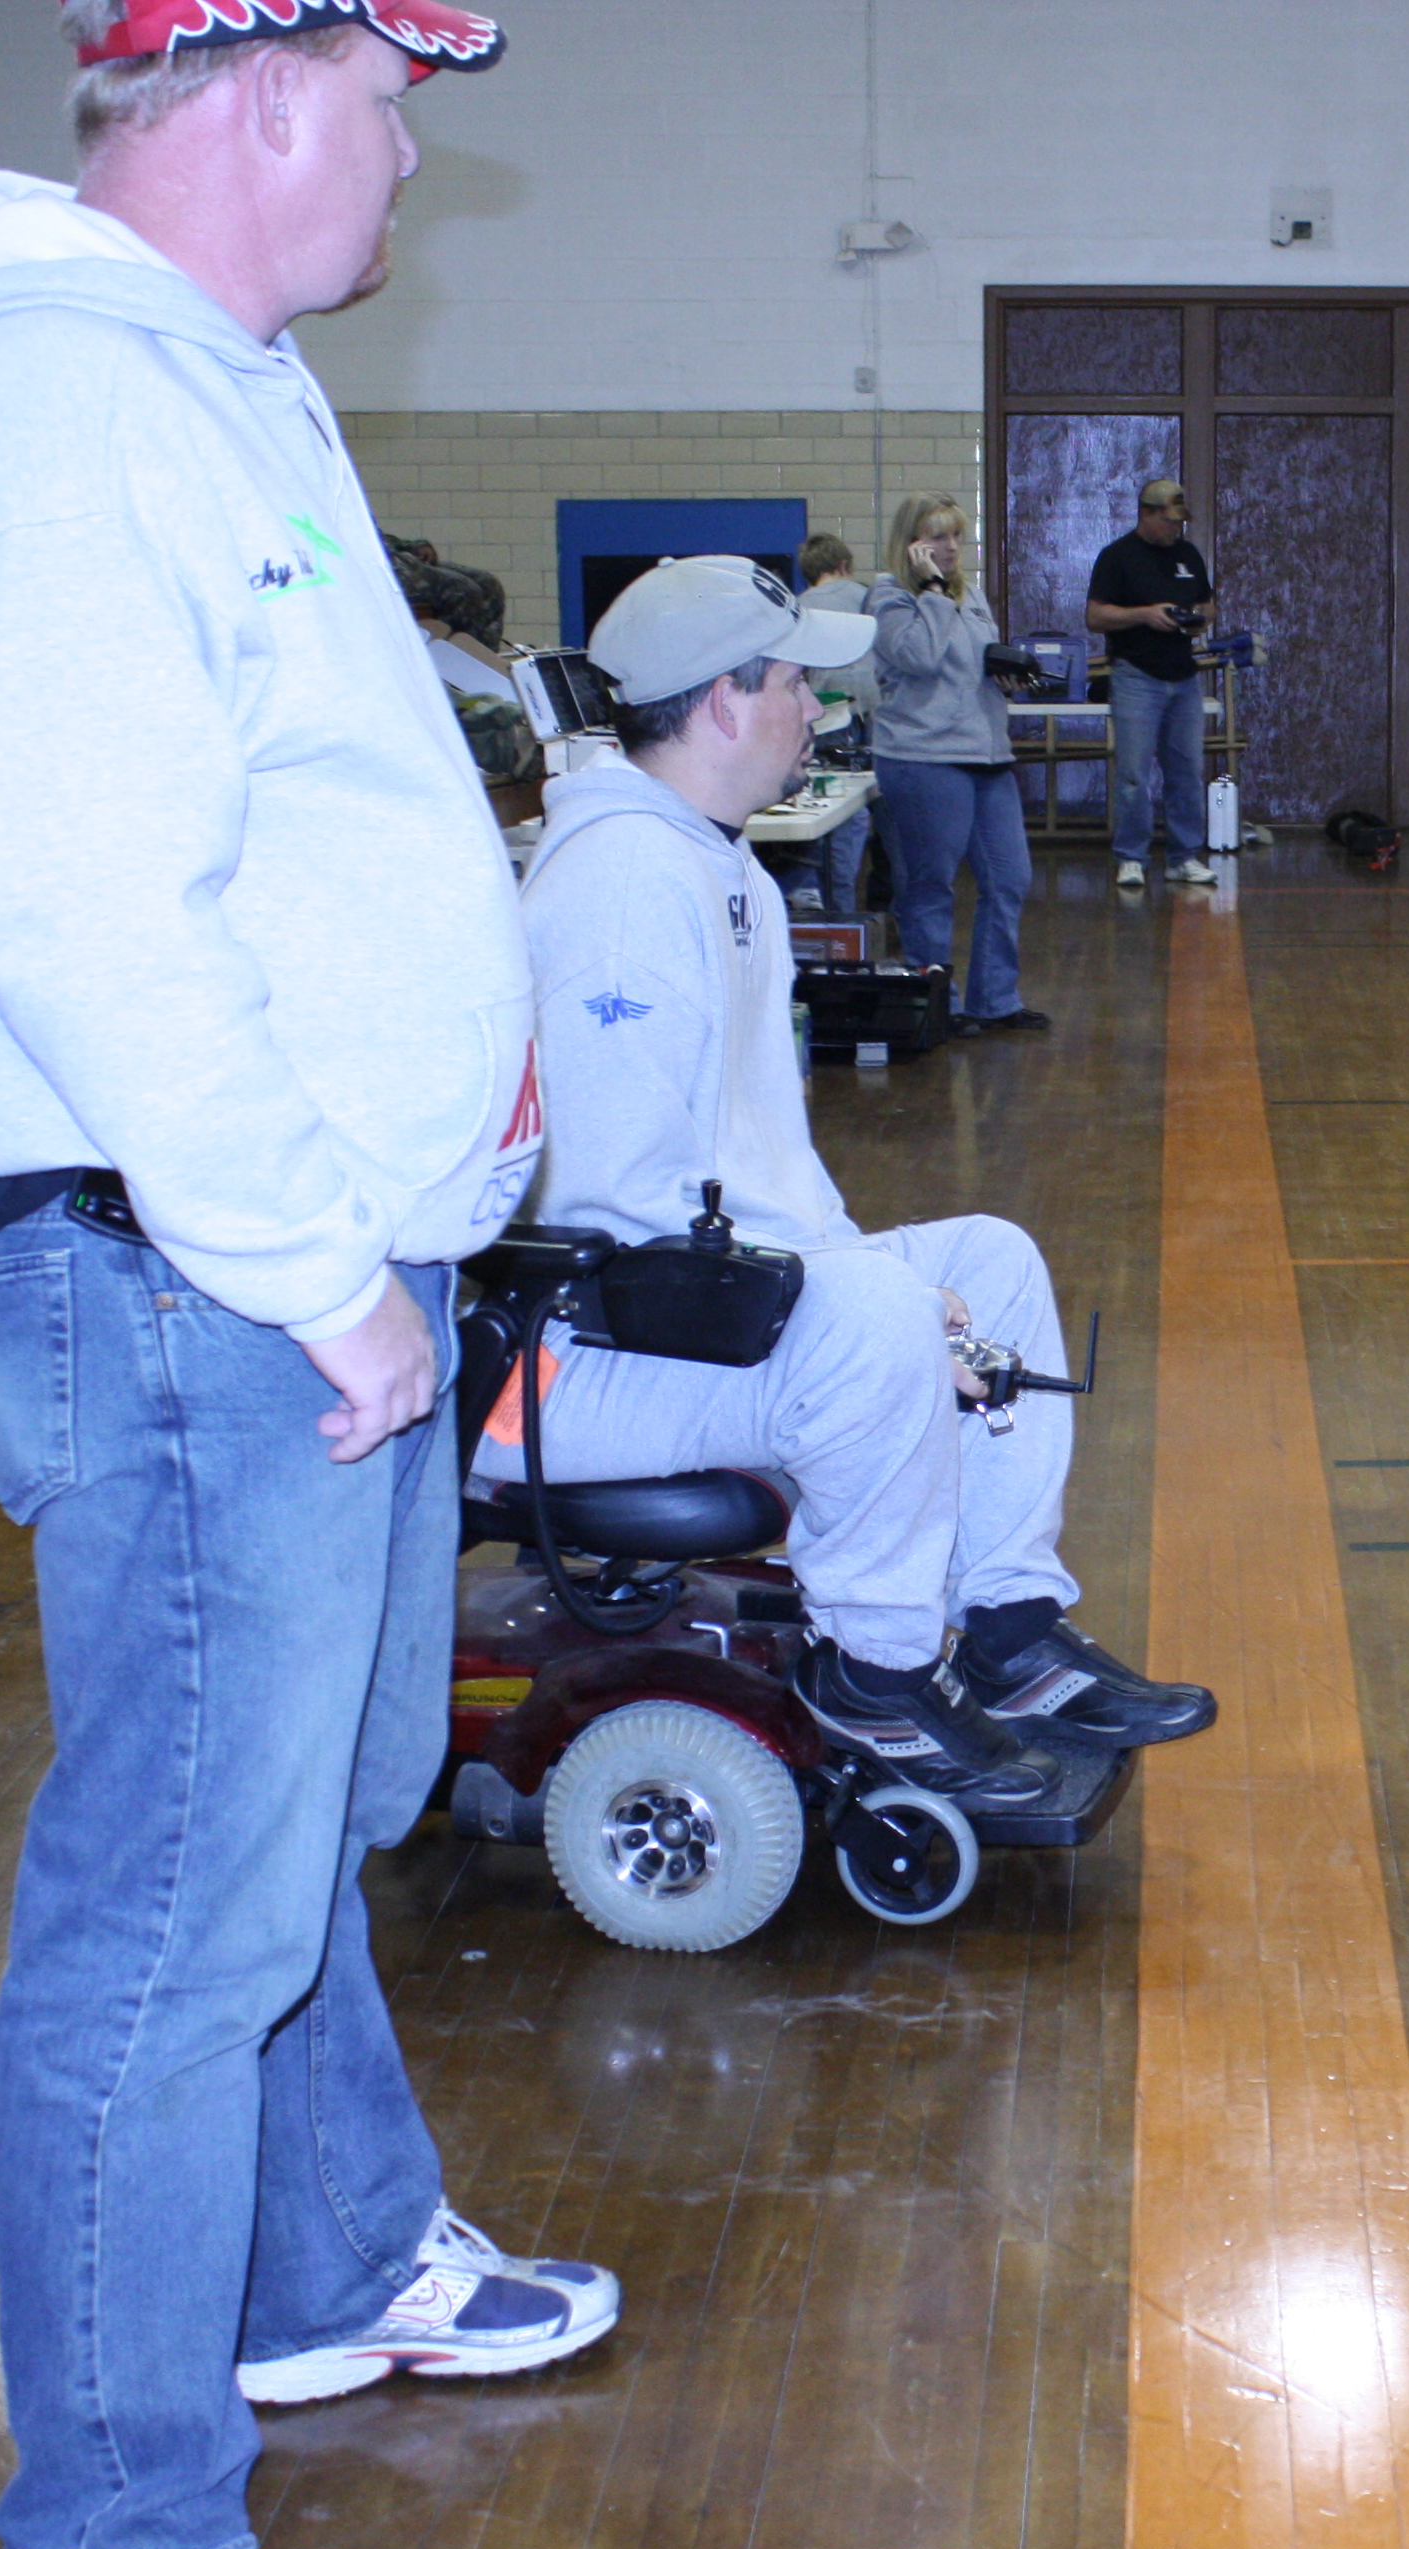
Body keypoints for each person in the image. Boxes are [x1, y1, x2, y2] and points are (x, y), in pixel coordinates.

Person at [0, 8, 609, 2549]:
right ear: (265, 89)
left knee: (305, 1836)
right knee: (172, 1918)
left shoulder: (210, 384)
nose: (411, 158)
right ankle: (127, 2523)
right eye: (393, 101)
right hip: (209, 1282)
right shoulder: (67, 409)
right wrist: (309, 1267)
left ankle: (333, 2262)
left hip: (307, 1261)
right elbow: (92, 911)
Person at [507, 553, 1216, 1792]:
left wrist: (879, 1286)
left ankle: (1004, 1628)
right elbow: (615, 1204)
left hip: (684, 1309)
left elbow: (767, 1169)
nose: (819, 709)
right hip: (578, 1355)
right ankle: (876, 1675)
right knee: (879, 1315)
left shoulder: (721, 866)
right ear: (725, 701)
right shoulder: (620, 885)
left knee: (989, 1260)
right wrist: (865, 1307)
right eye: (796, 683)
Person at [865, 491, 1046, 1036]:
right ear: (911, 543)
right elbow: (918, 656)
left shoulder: (970, 593)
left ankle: (995, 999)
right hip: (924, 757)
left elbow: (970, 663)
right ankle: (936, 1002)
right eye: (937, 536)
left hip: (985, 752)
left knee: (1009, 877)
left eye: (956, 535)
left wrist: (1004, 675)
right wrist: (932, 591)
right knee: (931, 885)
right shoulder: (890, 597)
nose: (950, 547)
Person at [1082, 475, 1218, 891]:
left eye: (1180, 521)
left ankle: (1184, 857)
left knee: (1187, 771)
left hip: (1183, 676)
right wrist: (1144, 614)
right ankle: (1131, 857)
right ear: (1146, 513)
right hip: (1136, 676)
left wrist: (1197, 619)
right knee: (1133, 774)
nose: (1176, 528)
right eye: (1169, 520)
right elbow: (1095, 616)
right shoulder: (1117, 556)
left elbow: (1208, 603)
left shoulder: (1188, 554)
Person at [779, 530, 879, 916]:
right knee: (867, 818)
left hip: (824, 723)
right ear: (844, 565)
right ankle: (862, 915)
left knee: (826, 813)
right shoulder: (869, 597)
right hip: (877, 720)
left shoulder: (795, 608)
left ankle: (827, 909)